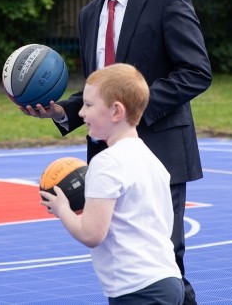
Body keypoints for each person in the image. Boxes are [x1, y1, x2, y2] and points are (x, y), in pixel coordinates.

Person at [20, 0, 212, 305]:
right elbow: (100, 89)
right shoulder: (89, 14)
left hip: (159, 152)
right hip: (106, 157)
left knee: (164, 263)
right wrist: (62, 111)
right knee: (122, 262)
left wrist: (132, 112)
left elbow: (196, 71)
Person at [41, 64, 184, 304]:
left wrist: (62, 209)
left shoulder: (107, 163)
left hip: (137, 289)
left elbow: (91, 234)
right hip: (167, 279)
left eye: (88, 105)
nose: (82, 113)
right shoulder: (152, 160)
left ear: (116, 111)